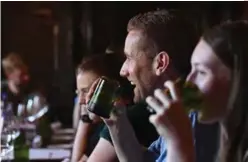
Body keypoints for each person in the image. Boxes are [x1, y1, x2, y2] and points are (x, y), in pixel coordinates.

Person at [86, 9, 218, 162]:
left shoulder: (192, 112)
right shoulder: (177, 105)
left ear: (161, 63)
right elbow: (145, 160)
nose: (123, 71)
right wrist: (116, 121)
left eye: (129, 58)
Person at [146, 21, 248, 162]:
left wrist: (179, 143)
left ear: (240, 80)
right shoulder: (230, 142)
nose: (190, 80)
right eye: (191, 69)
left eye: (201, 72)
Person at [71, 53, 133, 162]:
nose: (80, 101)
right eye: (78, 93)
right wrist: (86, 118)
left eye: (85, 91)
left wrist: (86, 117)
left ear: (108, 87)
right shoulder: (101, 125)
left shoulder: (121, 122)